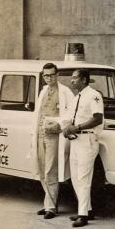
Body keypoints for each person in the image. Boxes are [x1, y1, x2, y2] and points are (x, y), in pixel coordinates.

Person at [62, 69, 103, 227]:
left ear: (84, 80)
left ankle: (83, 215)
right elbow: (70, 118)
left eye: (75, 78)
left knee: (84, 178)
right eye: (71, 78)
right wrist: (67, 128)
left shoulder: (94, 95)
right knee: (75, 177)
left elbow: (97, 118)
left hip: (87, 139)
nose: (72, 81)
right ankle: (87, 210)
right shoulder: (77, 97)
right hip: (76, 140)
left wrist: (77, 127)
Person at [36, 63, 74, 219]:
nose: (48, 78)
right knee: (41, 168)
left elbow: (71, 113)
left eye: (51, 75)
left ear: (57, 75)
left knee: (51, 169)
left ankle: (51, 207)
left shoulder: (65, 92)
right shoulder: (43, 91)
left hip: (54, 135)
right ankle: (48, 203)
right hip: (40, 134)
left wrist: (59, 123)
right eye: (46, 75)